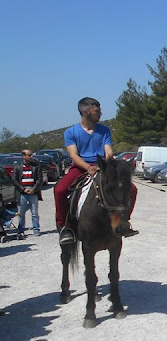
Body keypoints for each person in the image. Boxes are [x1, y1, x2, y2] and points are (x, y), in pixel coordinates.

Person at [54, 97, 138, 245]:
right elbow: (73, 154)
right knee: (60, 190)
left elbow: (109, 152)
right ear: (85, 112)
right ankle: (65, 228)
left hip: (103, 166)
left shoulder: (104, 130)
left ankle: (125, 221)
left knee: (132, 189)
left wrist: (107, 165)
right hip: (80, 168)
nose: (100, 114)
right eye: (97, 111)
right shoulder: (71, 132)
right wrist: (88, 167)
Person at [13, 150, 44, 238]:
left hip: (33, 192)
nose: (31, 157)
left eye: (31, 155)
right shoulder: (17, 166)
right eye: (29, 155)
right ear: (23, 156)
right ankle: (21, 230)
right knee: (21, 213)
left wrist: (34, 189)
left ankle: (36, 229)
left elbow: (39, 179)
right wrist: (23, 189)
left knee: (34, 213)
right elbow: (14, 180)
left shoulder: (36, 166)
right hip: (22, 193)